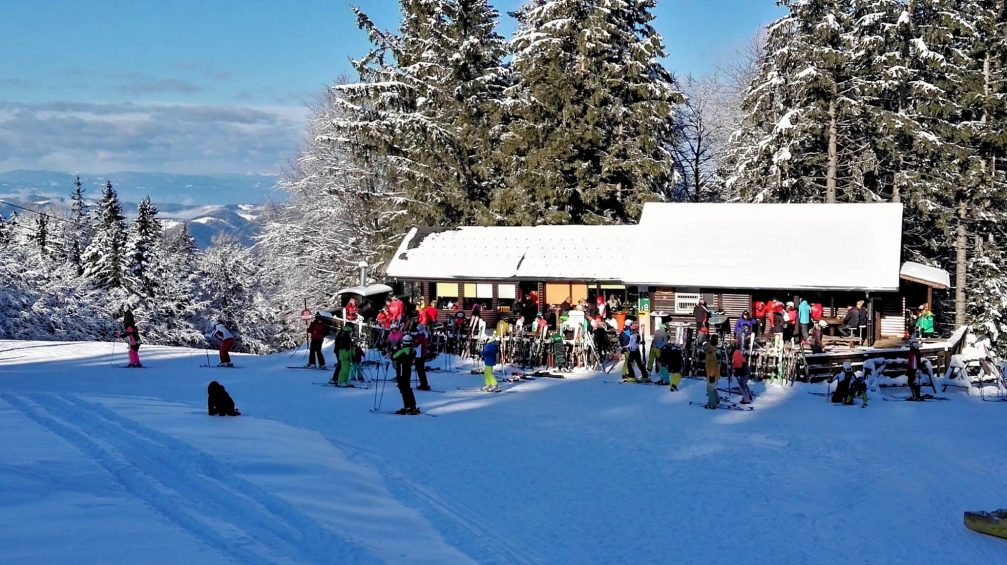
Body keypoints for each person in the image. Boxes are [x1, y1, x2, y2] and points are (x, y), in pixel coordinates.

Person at [392, 334, 420, 414]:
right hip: (408, 371)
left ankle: (407, 406)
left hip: (401, 371)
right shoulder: (413, 350)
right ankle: (412, 406)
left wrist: (395, 349)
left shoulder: (403, 350)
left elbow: (393, 356)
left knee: (403, 388)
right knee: (407, 388)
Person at [704, 335, 721, 408]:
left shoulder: (710, 355)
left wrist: (711, 376)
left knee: (709, 390)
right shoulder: (711, 352)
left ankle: (712, 403)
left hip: (712, 375)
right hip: (713, 374)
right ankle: (717, 399)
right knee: (712, 388)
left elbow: (713, 366)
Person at [414, 324, 431, 391]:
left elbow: (416, 343)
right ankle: (423, 384)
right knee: (420, 370)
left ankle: (424, 385)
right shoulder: (424, 334)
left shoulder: (421, 335)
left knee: (420, 370)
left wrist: (413, 342)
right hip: (421, 354)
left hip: (420, 354)